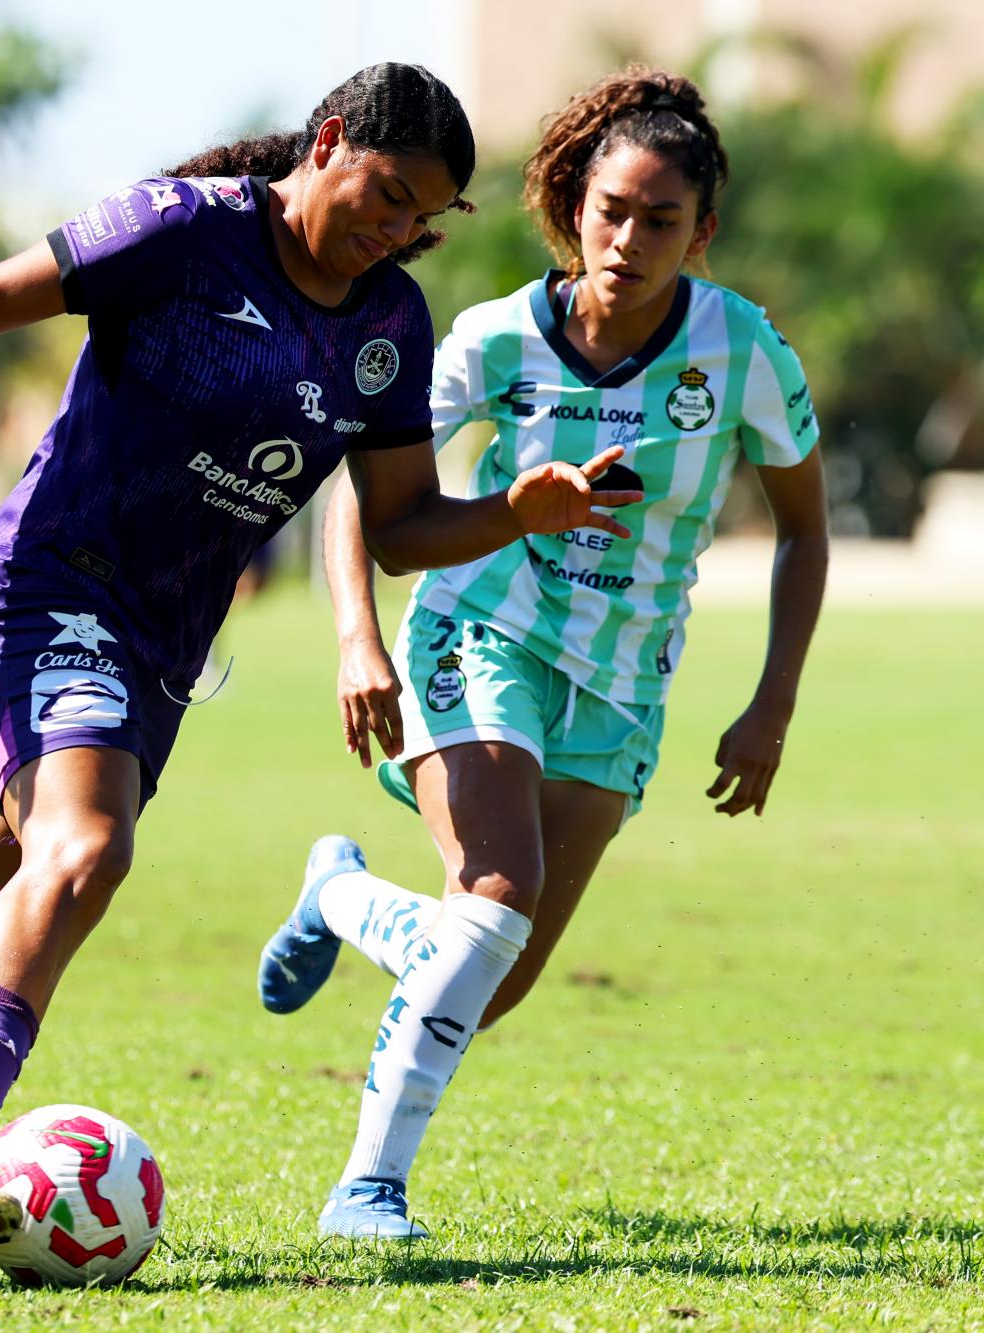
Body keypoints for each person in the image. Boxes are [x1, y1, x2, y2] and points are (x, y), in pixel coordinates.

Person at [0, 63, 646, 1258]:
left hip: (154, 653)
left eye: (422, 218)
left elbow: (399, 527)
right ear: (332, 140)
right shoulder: (183, 233)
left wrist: (515, 506)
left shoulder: (388, 324)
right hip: (46, 594)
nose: (396, 232)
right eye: (387, 194)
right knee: (86, 849)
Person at [256, 67, 828, 1239]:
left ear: (700, 233)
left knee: (491, 974)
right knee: (495, 896)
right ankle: (366, 1189)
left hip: (621, 681)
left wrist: (770, 704)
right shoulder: (493, 340)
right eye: (609, 210)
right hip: (479, 630)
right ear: (577, 207)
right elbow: (363, 488)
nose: (626, 239)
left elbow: (804, 530)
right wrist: (356, 637)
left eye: (659, 221)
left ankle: (343, 894)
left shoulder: (743, 351)